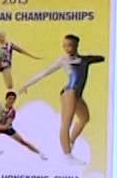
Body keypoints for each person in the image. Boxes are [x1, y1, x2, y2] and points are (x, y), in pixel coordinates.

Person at [21, 33, 105, 161]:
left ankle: (70, 141)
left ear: (76, 45)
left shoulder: (84, 60)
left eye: (69, 45)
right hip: (69, 93)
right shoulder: (63, 60)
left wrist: (89, 58)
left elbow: (101, 58)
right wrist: (27, 84)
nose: (66, 48)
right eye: (64, 45)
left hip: (77, 94)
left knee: (84, 118)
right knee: (66, 123)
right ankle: (67, 155)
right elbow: (44, 72)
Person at [0, 90, 44, 158]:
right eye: (10, 98)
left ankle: (39, 153)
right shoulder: (0, 104)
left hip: (7, 129)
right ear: (6, 99)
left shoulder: (12, 112)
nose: (11, 101)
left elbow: (6, 126)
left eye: (13, 99)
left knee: (23, 142)